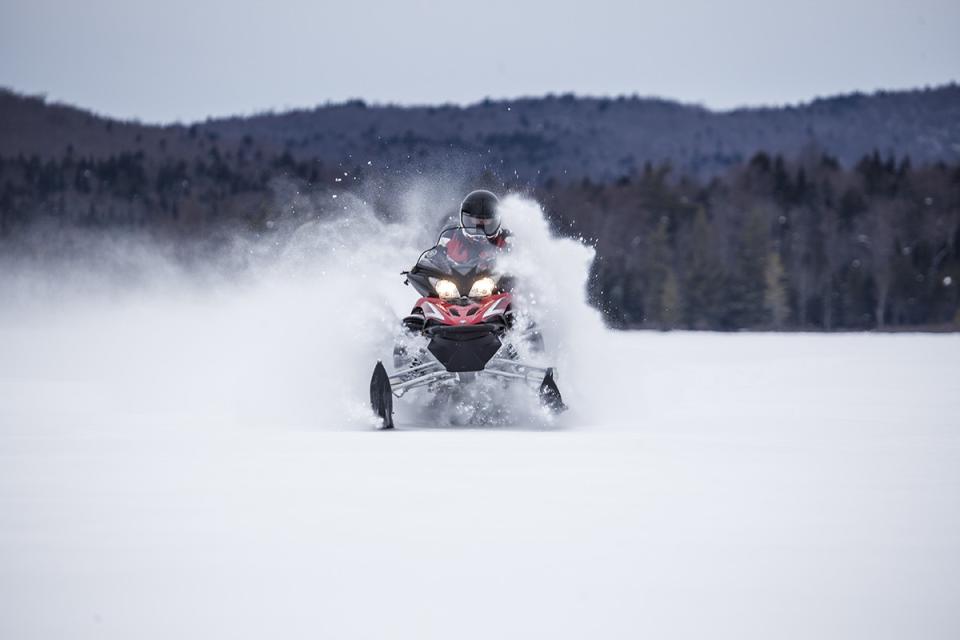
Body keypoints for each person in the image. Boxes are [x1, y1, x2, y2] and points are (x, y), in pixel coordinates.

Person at [440, 189, 510, 264]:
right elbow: (434, 257)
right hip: (452, 275)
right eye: (476, 221)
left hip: (492, 275)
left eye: (486, 222)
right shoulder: (451, 236)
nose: (480, 228)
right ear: (464, 219)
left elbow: (517, 261)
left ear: (496, 221)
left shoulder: (505, 239)